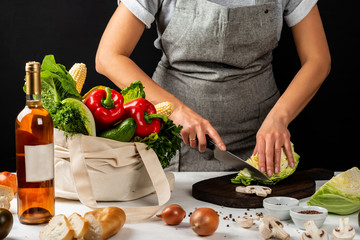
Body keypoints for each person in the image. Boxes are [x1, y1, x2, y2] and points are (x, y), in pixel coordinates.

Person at [95, 0, 331, 175]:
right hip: (176, 143)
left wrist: (279, 118)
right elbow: (108, 57)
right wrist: (177, 111)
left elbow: (318, 60)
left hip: (259, 144)